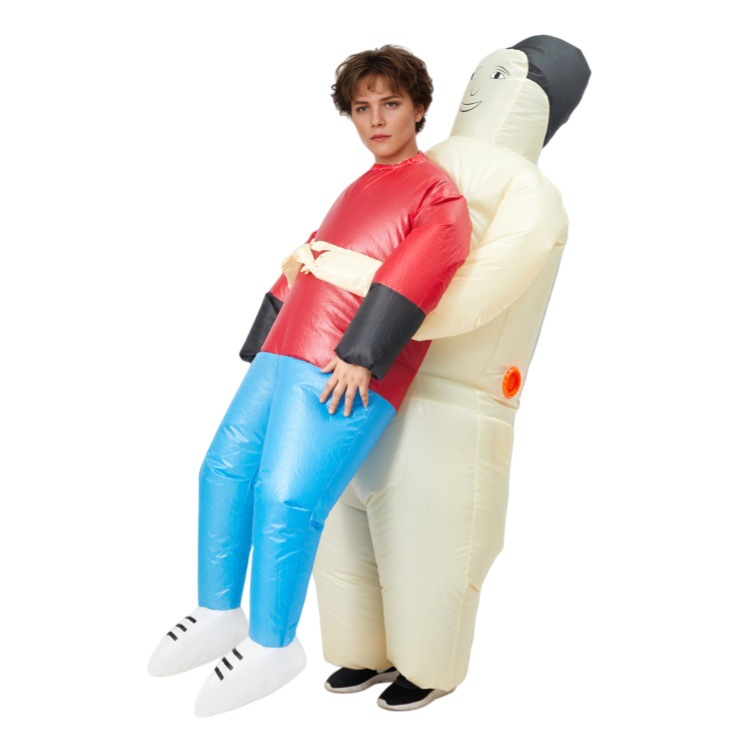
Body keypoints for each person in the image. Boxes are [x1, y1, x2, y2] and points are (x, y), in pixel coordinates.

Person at [146, 44, 471, 717]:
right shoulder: (358, 187)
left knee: (286, 496)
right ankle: (218, 611)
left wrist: (364, 353)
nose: (375, 119)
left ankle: (273, 643)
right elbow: (310, 258)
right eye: (362, 107)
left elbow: (421, 265)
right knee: (223, 471)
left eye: (391, 104)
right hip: (286, 351)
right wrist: (265, 334)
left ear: (419, 109)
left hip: (340, 363)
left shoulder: (436, 192)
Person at [313, 35, 591, 711]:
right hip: (375, 379)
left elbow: (464, 298)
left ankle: (412, 662)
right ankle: (375, 655)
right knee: (381, 529)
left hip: (416, 384)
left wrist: (352, 297)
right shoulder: (434, 172)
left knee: (410, 533)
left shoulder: (512, 191)